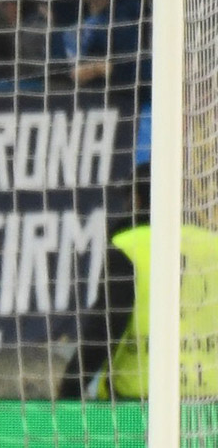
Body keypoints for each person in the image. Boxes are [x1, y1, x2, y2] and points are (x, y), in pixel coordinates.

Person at [59, 163, 218, 399]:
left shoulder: (129, 245)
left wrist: (69, 392)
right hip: (209, 401)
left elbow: (104, 328)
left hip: (139, 400)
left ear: (136, 199)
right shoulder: (211, 245)